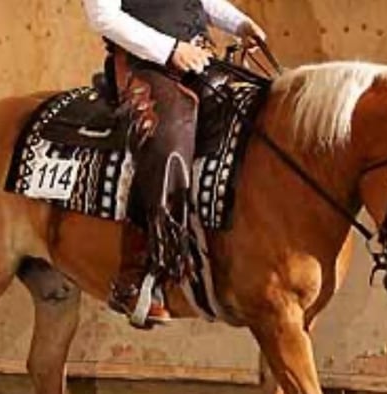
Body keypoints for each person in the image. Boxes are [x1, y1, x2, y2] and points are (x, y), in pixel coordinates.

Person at [82, 0, 266, 328]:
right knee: (168, 141)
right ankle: (134, 277)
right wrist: (169, 50)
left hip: (197, 58)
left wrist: (239, 23)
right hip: (144, 65)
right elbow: (102, 16)